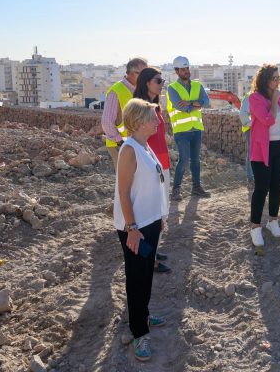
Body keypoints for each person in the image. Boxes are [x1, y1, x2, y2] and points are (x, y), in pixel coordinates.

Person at [113, 99, 169, 362]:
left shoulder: (145, 147)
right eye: (152, 117)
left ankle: (143, 315)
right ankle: (139, 333)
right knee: (136, 278)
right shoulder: (129, 149)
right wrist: (132, 228)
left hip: (150, 223)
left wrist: (159, 217)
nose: (157, 121)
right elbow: (123, 193)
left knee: (146, 273)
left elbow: (153, 184)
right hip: (134, 227)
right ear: (138, 121)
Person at [133, 67, 173, 275]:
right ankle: (150, 258)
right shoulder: (140, 108)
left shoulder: (155, 107)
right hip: (150, 165)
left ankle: (153, 252)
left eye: (162, 81)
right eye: (158, 81)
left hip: (161, 163)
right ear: (147, 82)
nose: (161, 85)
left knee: (161, 212)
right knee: (153, 214)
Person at [248, 64, 280, 248]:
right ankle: (255, 226)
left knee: (276, 186)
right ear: (265, 79)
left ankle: (272, 220)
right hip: (262, 151)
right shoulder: (254, 98)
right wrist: (274, 100)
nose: (277, 81)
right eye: (274, 78)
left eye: (278, 78)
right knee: (261, 188)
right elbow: (267, 120)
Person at [166, 56, 211, 200]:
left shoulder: (198, 85)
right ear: (177, 71)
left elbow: (206, 101)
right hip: (181, 131)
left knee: (196, 160)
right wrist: (196, 104)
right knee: (184, 160)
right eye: (183, 69)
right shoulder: (172, 88)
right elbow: (180, 106)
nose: (186, 71)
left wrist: (190, 103)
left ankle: (196, 188)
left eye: (187, 68)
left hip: (196, 128)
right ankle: (176, 190)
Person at [102, 58, 148, 167]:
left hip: (136, 143)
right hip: (120, 144)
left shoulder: (139, 90)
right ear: (131, 73)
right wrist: (121, 142)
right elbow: (107, 122)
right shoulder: (116, 91)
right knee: (126, 180)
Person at [238, 94, 255, 191]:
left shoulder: (266, 95)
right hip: (251, 129)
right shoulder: (250, 96)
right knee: (251, 154)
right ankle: (251, 179)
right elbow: (242, 113)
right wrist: (251, 124)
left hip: (261, 129)